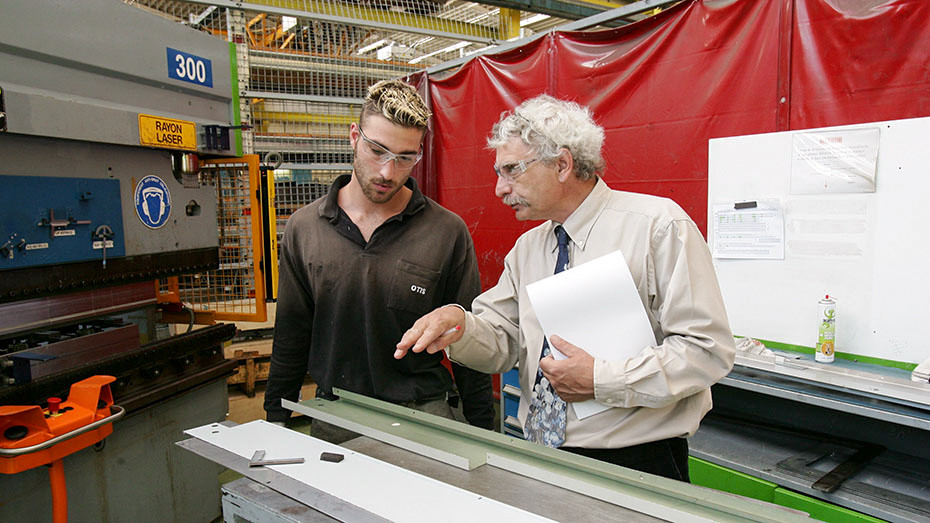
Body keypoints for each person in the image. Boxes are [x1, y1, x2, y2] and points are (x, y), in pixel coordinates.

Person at [395, 94, 735, 481]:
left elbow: (706, 350)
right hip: (542, 452)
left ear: (562, 164)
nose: (499, 189)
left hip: (635, 462)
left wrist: (599, 379)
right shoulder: (528, 250)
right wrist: (460, 326)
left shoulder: (657, 227)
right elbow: (504, 340)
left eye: (511, 171)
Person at [265, 79, 495, 442]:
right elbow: (292, 331)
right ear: (354, 136)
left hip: (425, 413)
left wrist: (484, 430)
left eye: (405, 158)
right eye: (378, 150)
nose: (388, 171)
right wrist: (277, 415)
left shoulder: (445, 231)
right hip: (337, 412)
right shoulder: (305, 228)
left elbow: (467, 338)